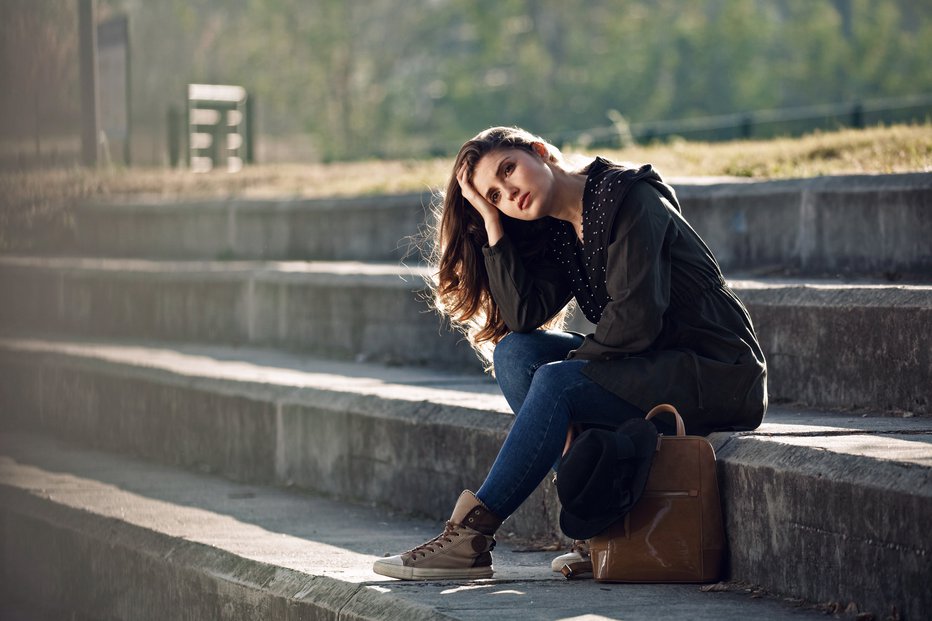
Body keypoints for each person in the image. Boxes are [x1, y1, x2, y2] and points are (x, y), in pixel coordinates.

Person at [372, 126, 767, 581]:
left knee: (556, 383)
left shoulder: (630, 199)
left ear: (540, 151)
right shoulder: (562, 229)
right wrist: (493, 224)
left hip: (716, 372)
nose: (509, 192)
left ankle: (471, 537)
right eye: (494, 195)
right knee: (517, 355)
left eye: (508, 170)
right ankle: (598, 522)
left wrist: (563, 381)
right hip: (654, 365)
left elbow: (636, 320)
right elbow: (522, 317)